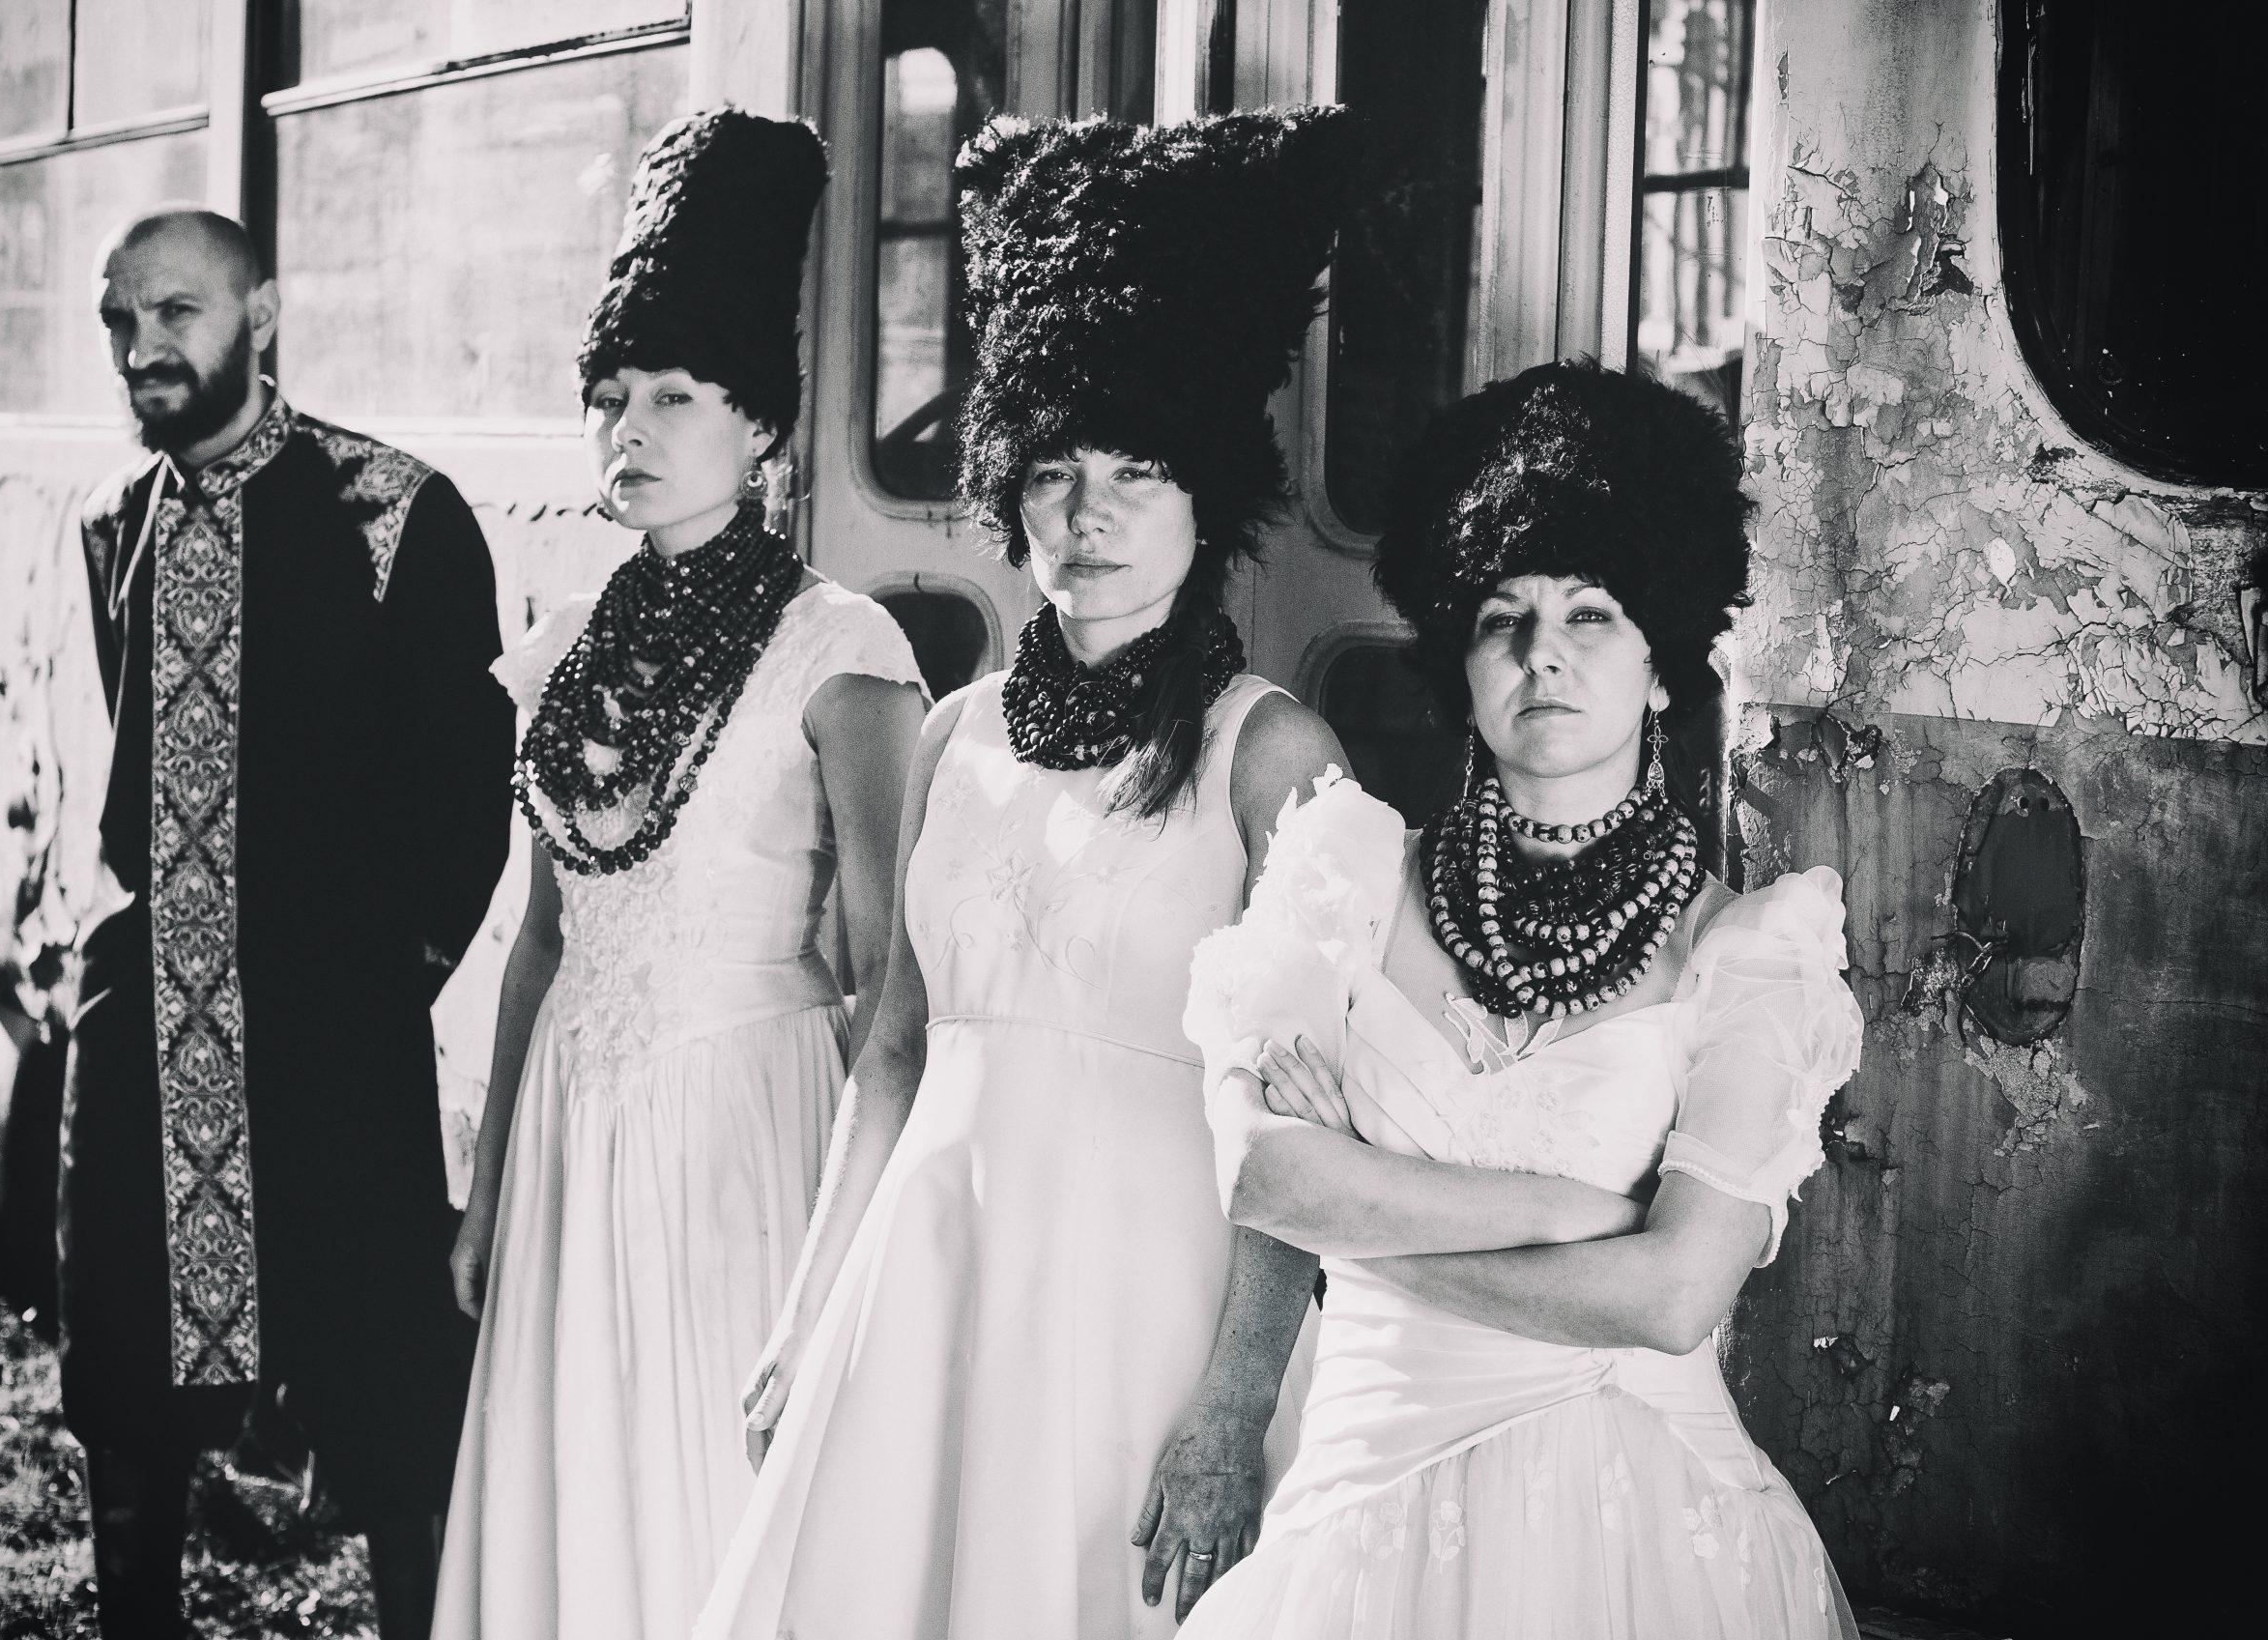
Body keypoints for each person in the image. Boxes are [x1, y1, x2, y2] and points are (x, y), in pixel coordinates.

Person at [697, 109, 1355, 1640]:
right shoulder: (948, 736)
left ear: (1211, 500)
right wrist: (809, 1314)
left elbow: (1315, 1121)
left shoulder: (1275, 755)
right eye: (1054, 470)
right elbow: (896, 1054)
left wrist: (1238, 1395)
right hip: (932, 1285)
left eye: (1138, 470)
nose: (1091, 512)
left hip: (1147, 1306)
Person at [1174, 360, 1866, 1639]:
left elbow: (1669, 1296)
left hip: (1644, 1535)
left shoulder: (1752, 951)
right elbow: (1261, 1176)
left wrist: (1366, 1211)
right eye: (1504, 616)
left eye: (1593, 613)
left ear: (1664, 667)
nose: (1544, 654)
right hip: (1358, 1514)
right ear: (1460, 658)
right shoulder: (1348, 870)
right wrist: (1578, 1215)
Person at [430, 110, 929, 1640]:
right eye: (607, 400)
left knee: (713, 1490)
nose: (628, 431)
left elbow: (888, 973)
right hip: (577, 1118)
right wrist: (493, 1171)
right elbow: (540, 938)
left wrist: (860, 1235)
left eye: (674, 396)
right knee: (571, 1488)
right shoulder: (574, 638)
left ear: (762, 427)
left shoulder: (842, 650)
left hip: (738, 1123)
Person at [65, 207, 512, 1640]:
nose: (145, 345)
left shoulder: (394, 513)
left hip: (333, 1038)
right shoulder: (110, 527)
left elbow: (466, 781)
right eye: (122, 318)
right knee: (131, 1387)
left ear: (261, 312)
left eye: (177, 312)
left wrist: (392, 971)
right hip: (146, 1026)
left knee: (385, 1388)